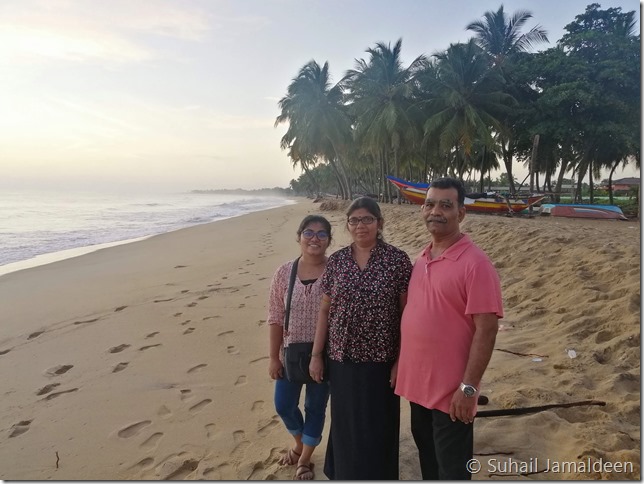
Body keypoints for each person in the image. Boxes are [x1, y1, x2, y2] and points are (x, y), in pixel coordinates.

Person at [394, 177, 504, 480]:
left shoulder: (475, 264)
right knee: (429, 461)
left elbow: (487, 329)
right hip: (418, 388)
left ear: (461, 213)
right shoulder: (422, 257)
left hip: (452, 394)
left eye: (446, 205)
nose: (435, 211)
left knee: (453, 470)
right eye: (429, 204)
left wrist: (468, 389)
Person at [309, 197, 412, 480]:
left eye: (367, 219)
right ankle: (343, 473)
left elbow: (406, 314)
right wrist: (317, 355)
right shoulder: (338, 261)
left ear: (379, 223)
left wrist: (400, 361)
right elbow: (325, 310)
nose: (360, 225)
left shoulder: (397, 260)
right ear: (348, 225)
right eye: (354, 220)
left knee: (379, 423)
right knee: (345, 421)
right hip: (341, 358)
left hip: (382, 359)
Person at [267, 215, 333, 480]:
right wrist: (274, 357)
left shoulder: (336, 270)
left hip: (325, 356)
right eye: (309, 233)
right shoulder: (284, 272)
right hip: (290, 354)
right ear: (299, 237)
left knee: (315, 408)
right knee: (283, 404)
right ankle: (299, 442)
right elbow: (275, 316)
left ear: (329, 240)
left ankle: (304, 459)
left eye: (321, 234)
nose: (314, 239)